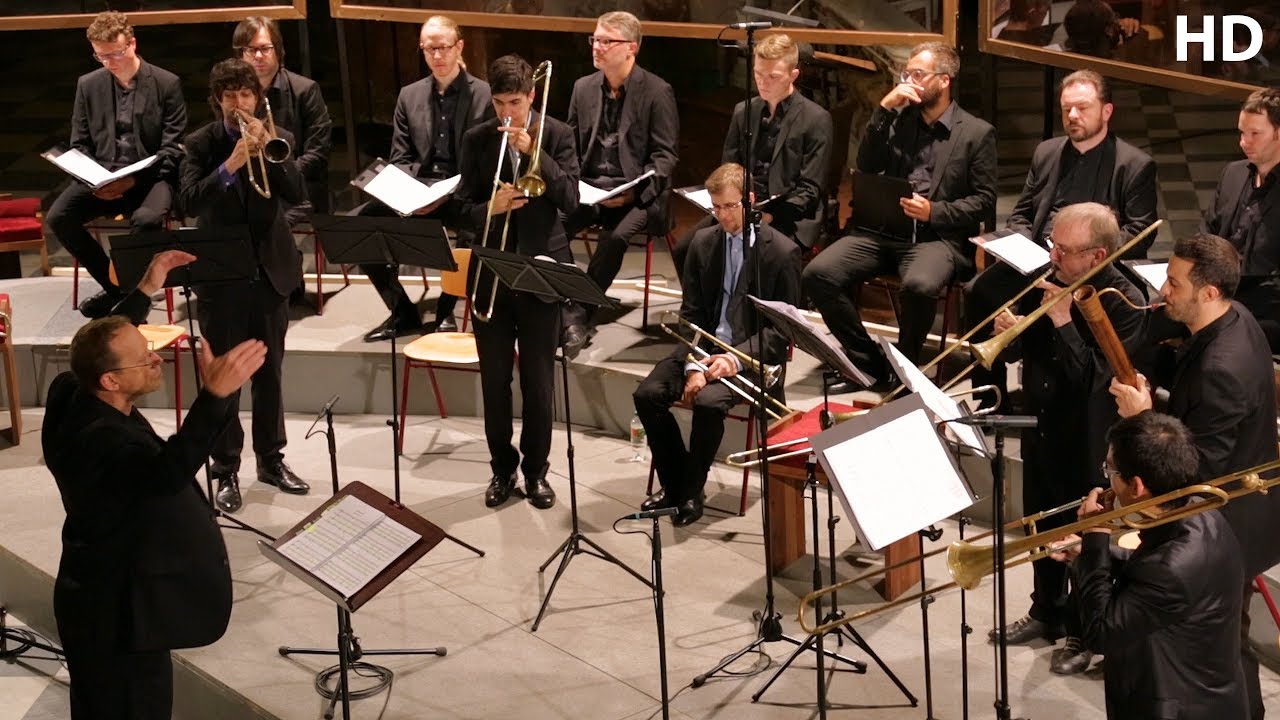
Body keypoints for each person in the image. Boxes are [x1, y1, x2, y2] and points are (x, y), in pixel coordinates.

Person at [43, 302, 267, 719]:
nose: (155, 357)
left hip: (98, 597)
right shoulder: (103, 442)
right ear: (109, 379)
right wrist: (215, 395)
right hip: (117, 615)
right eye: (142, 356)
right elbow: (166, 475)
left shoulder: (69, 391)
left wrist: (144, 289)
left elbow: (94, 342)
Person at [1111, 233, 1278, 719]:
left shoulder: (1222, 367)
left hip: (1232, 527)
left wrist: (1142, 417)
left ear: (1209, 292)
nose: (1164, 290)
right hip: (1242, 512)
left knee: (1226, 648)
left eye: (1174, 282)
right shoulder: (1236, 317)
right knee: (1221, 643)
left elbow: (1197, 471)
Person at [983, 203, 1145, 675]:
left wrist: (1062, 321)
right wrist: (1012, 335)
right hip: (1042, 424)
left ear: (1096, 256)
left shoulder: (1124, 301)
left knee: (1082, 537)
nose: (1052, 254)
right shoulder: (1052, 278)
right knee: (1040, 522)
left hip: (1089, 436)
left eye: (1063, 248)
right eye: (1052, 243)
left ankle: (1081, 630)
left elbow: (1095, 380)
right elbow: (1031, 352)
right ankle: (1045, 610)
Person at [803, 42, 997, 388]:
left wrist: (934, 211)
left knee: (920, 286)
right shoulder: (898, 121)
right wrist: (883, 110)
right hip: (883, 231)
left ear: (944, 80)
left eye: (918, 74)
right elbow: (866, 165)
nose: (909, 81)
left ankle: (904, 370)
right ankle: (872, 363)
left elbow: (983, 201)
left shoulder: (976, 133)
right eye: (907, 73)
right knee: (818, 273)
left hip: (935, 238)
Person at [964, 70, 1157, 407]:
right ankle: (990, 395)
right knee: (979, 290)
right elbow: (1023, 212)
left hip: (1088, 267)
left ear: (1106, 111)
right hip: (1040, 261)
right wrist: (1022, 247)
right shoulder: (1047, 152)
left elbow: (1138, 232)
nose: (1072, 116)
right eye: (1066, 109)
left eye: (1082, 108)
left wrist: (1086, 253)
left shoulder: (1134, 164)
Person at [633, 163, 801, 527]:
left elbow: (781, 333)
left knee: (709, 403)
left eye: (729, 206)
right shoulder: (703, 244)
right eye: (715, 208)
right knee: (647, 394)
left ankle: (689, 492)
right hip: (703, 346)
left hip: (751, 357)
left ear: (750, 201)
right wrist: (695, 365)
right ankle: (679, 484)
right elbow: (691, 313)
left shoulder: (781, 253)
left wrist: (734, 362)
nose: (721, 216)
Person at [1053, 411, 1247, 719]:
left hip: (1176, 706)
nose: (1108, 480)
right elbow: (1150, 578)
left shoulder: (1172, 565)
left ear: (1137, 486)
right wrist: (1089, 554)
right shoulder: (1199, 509)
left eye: (1111, 470)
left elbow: (1100, 633)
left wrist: (1095, 539)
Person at [180, 58, 311, 513]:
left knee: (270, 375)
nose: (240, 104)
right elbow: (188, 201)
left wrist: (268, 151)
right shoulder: (200, 144)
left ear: (258, 97)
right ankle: (225, 469)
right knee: (226, 379)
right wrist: (231, 165)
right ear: (218, 100)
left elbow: (296, 193)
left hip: (270, 274)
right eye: (230, 96)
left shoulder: (279, 137)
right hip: (222, 277)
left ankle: (271, 460)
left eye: (246, 95)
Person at [456, 54, 578, 511]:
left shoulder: (558, 134)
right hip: (491, 272)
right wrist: (489, 209)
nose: (507, 113)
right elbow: (459, 205)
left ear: (531, 96)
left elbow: (571, 198)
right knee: (494, 383)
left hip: (540, 271)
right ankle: (501, 469)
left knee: (539, 382)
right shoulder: (477, 139)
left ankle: (536, 471)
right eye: (499, 102)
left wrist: (534, 154)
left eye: (515, 102)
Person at [357, 16, 494, 343]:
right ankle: (402, 311)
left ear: (459, 47)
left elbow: (483, 165)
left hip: (463, 193)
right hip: (420, 191)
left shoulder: (484, 95)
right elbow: (401, 157)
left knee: (476, 227)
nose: (437, 56)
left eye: (443, 47)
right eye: (429, 49)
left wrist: (446, 195)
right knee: (362, 226)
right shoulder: (409, 96)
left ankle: (447, 310)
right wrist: (411, 196)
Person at [45, 11, 186, 319]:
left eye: (116, 54)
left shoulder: (166, 83)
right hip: (104, 177)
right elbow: (79, 142)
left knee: (148, 220)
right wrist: (93, 180)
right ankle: (119, 291)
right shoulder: (88, 85)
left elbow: (172, 149)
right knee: (59, 217)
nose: (110, 62)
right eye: (101, 56)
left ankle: (129, 294)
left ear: (132, 44)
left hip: (150, 179)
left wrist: (132, 182)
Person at [560, 11, 679, 355]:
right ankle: (569, 302)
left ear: (631, 48)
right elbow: (569, 145)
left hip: (637, 196)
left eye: (605, 41)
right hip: (591, 189)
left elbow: (665, 156)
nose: (596, 47)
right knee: (550, 224)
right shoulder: (583, 88)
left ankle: (580, 315)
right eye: (595, 39)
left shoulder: (657, 91)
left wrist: (631, 193)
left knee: (614, 239)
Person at [671, 33, 832, 273]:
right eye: (758, 74)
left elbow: (809, 190)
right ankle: (711, 310)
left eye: (772, 77)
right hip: (740, 208)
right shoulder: (743, 111)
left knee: (751, 261)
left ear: (793, 75)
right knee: (686, 250)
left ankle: (746, 309)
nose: (763, 82)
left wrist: (766, 216)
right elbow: (729, 169)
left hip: (788, 217)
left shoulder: (817, 119)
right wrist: (731, 207)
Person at [232, 16, 332, 225]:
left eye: (265, 48)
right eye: (251, 49)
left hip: (295, 188)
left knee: (266, 223)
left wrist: (283, 175)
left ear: (278, 50)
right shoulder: (232, 95)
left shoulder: (306, 90)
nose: (258, 56)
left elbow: (318, 154)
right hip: (249, 186)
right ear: (241, 54)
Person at [1202, 87, 1280, 353]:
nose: (1244, 142)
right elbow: (1208, 233)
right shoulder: (1233, 173)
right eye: (1242, 132)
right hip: (1217, 290)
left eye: (1255, 134)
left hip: (1267, 307)